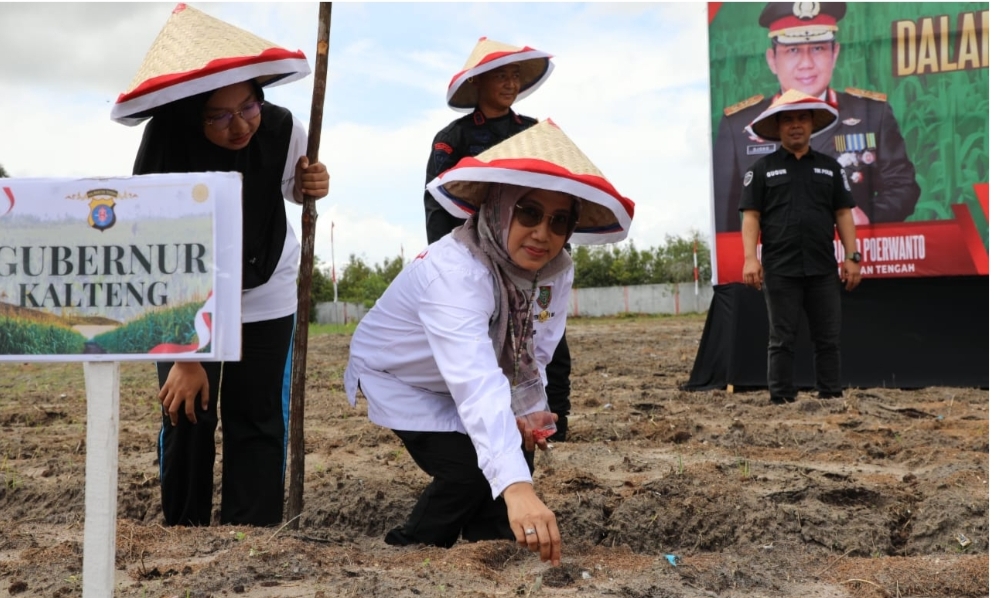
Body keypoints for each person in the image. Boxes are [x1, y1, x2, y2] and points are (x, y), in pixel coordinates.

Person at [347, 120, 634, 565]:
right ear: (498, 207)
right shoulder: (456, 272)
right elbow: (475, 381)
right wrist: (518, 488)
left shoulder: (554, 270)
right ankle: (410, 552)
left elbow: (535, 349)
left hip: (463, 376)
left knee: (516, 443)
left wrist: (527, 411)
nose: (543, 233)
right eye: (529, 213)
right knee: (466, 473)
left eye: (560, 221)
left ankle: (494, 546)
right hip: (403, 377)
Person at [111, 4, 330, 526]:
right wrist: (187, 350)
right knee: (187, 411)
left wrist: (311, 185)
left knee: (257, 417)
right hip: (188, 295)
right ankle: (183, 529)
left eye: (249, 107)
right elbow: (153, 247)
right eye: (220, 116)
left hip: (265, 288)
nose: (240, 126)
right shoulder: (164, 144)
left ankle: (250, 530)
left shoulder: (280, 128)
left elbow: (291, 191)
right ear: (191, 112)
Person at [422, 37, 574, 442]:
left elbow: (562, 192)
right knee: (487, 340)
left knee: (546, 336)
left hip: (533, 260)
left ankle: (554, 418)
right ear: (479, 83)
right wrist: (448, 266)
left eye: (515, 76)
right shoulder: (452, 139)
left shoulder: (536, 132)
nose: (510, 84)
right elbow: (438, 205)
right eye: (501, 76)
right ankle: (489, 420)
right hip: (480, 261)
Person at [713, 1, 920, 233]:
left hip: (852, 257)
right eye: (793, 50)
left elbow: (903, 186)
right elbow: (724, 217)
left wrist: (867, 217)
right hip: (777, 261)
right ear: (772, 60)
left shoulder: (871, 113)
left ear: (835, 53)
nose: (806, 64)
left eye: (818, 48)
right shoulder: (738, 125)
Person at [739, 90, 861, 404]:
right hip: (780, 269)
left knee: (828, 339)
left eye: (802, 119)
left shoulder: (830, 168)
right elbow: (751, 217)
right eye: (788, 120)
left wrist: (852, 257)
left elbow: (843, 214)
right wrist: (750, 259)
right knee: (781, 339)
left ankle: (831, 396)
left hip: (822, 269)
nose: (796, 125)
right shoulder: (761, 170)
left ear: (811, 125)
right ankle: (781, 399)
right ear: (778, 127)